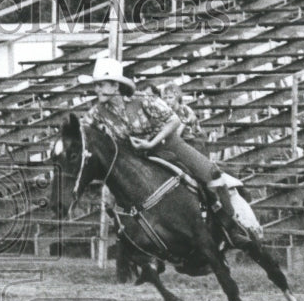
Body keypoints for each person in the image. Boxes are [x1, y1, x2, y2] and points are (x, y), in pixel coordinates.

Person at [79, 57, 237, 220]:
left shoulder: (143, 100)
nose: (96, 89)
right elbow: (80, 130)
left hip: (167, 146)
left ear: (115, 85)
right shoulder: (97, 112)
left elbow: (173, 120)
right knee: (114, 201)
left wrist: (151, 143)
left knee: (211, 173)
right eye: (95, 85)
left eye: (101, 84)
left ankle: (231, 224)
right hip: (134, 158)